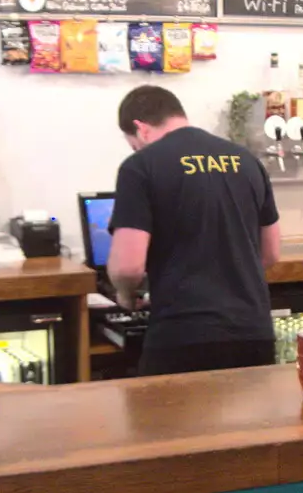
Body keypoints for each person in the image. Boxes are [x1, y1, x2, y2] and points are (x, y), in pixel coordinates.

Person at [107, 84, 282, 376]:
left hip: (182, 337)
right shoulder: (247, 161)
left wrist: (126, 295)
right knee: (249, 423)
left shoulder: (140, 167)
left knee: (170, 422)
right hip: (253, 333)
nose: (136, 149)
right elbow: (271, 253)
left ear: (140, 128)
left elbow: (128, 268)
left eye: (133, 143)